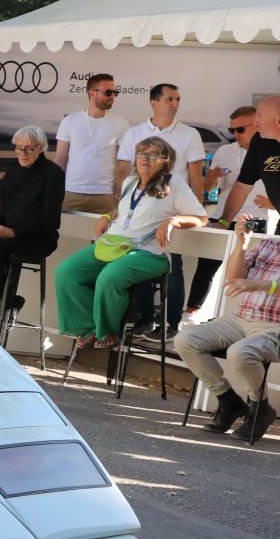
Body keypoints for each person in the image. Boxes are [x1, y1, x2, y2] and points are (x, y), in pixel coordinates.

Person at [55, 136, 206, 350]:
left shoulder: (174, 183)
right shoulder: (130, 182)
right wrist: (107, 216)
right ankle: (89, 327)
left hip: (149, 252)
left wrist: (173, 220)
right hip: (114, 244)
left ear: (165, 160)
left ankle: (108, 331)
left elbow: (201, 217)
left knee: (110, 277)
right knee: (66, 272)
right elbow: (124, 210)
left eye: (151, 154)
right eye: (140, 154)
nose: (144, 158)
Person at [174, 215, 280, 439]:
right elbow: (234, 277)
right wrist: (241, 243)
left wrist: (264, 285)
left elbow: (261, 285)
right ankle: (228, 401)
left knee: (240, 353)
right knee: (185, 340)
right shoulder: (269, 244)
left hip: (275, 327)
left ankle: (260, 408)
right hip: (241, 319)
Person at [117, 83, 204, 330]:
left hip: (173, 214)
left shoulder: (190, 134)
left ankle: (172, 324)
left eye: (178, 99)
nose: (175, 104)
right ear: (154, 103)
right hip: (141, 213)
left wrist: (194, 213)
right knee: (140, 261)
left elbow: (196, 177)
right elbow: (123, 172)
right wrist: (121, 208)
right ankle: (145, 319)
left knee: (174, 268)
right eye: (170, 99)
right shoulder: (134, 132)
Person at [0, 124, 65, 317]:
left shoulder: (54, 174)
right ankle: (4, 298)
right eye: (18, 148)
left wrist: (13, 232)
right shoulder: (12, 175)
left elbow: (50, 221)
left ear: (41, 148)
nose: (22, 153)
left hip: (40, 239)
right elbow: (4, 214)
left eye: (28, 149)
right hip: (9, 234)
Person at [187, 105, 266, 314]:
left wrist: (273, 203)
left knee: (250, 272)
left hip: (255, 219)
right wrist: (211, 178)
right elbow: (208, 188)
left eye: (240, 129)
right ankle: (192, 313)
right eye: (232, 130)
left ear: (256, 125)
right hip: (222, 217)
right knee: (206, 267)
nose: (235, 134)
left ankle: (241, 316)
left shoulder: (270, 151)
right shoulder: (224, 150)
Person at [54, 73, 128, 213]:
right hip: (71, 192)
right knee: (65, 228)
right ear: (92, 93)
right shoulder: (70, 121)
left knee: (105, 229)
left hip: (105, 195)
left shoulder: (121, 123)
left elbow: (124, 163)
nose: (112, 96)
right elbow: (59, 161)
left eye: (115, 92)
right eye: (108, 92)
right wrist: (55, 191)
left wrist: (118, 194)